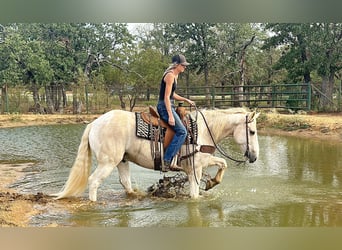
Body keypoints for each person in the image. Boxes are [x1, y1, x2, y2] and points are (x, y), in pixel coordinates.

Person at [157, 54, 195, 172]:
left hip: (169, 105)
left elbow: (172, 94)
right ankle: (167, 160)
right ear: (177, 65)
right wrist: (170, 115)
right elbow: (167, 98)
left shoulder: (175, 75)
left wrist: (185, 99)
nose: (185, 67)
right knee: (182, 131)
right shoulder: (170, 76)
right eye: (183, 65)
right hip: (164, 106)